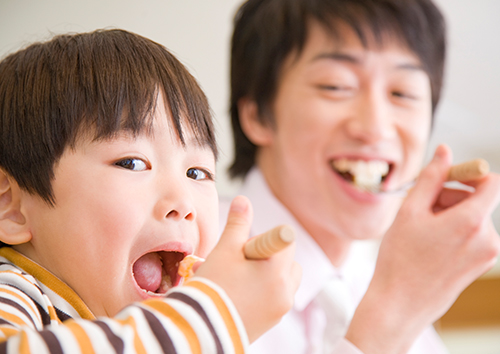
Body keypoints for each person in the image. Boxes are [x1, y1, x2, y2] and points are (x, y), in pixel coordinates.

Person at [221, 0, 500, 353]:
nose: (376, 128)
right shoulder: (184, 262)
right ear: (258, 116)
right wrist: (393, 316)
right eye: (336, 86)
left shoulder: (381, 284)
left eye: (403, 93)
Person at [0, 28, 301, 352]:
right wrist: (211, 318)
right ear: (11, 206)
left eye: (197, 172)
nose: (182, 202)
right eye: (132, 163)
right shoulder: (13, 293)